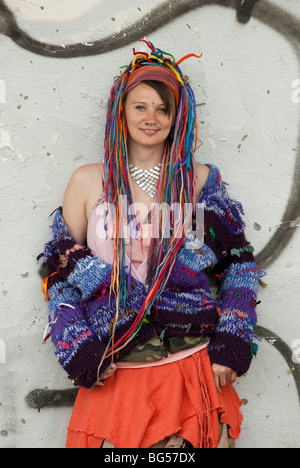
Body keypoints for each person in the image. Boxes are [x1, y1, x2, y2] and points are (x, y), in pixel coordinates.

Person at [41, 41, 260, 448]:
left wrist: (231, 342)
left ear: (178, 117)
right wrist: (78, 346)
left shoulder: (198, 181)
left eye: (163, 108)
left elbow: (239, 265)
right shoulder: (88, 181)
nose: (151, 118)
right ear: (121, 113)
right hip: (116, 373)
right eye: (140, 106)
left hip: (191, 370)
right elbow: (58, 273)